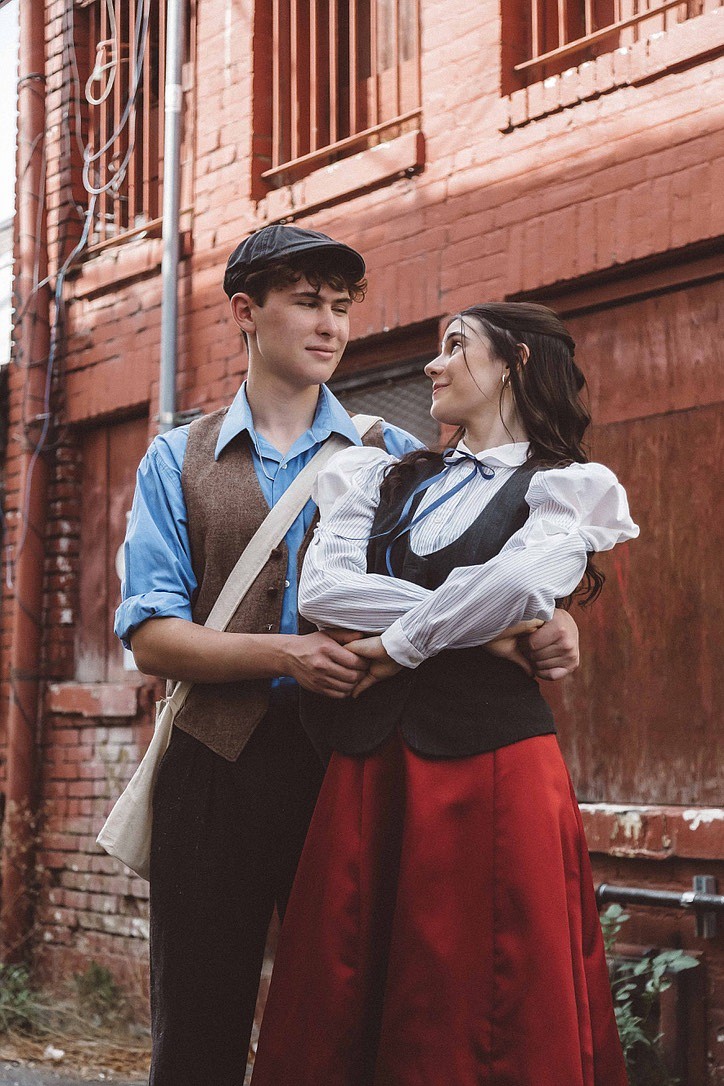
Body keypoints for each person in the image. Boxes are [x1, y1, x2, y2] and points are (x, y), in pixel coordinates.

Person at [115, 231, 580, 1085]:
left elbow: (477, 585)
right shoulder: (174, 458)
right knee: (199, 1027)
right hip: (212, 768)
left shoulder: (401, 454)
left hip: (361, 763)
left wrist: (550, 627)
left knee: (351, 1026)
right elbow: (150, 635)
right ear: (247, 314)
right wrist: (286, 649)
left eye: (340, 306)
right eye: (307, 302)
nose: (330, 325)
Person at [249, 302, 639, 1086]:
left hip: (491, 772)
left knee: (483, 998)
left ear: (515, 363)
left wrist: (398, 644)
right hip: (369, 767)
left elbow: (526, 581)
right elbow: (327, 590)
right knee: (341, 986)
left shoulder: (566, 486)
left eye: (455, 347)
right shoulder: (382, 474)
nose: (434, 364)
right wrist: (486, 628)